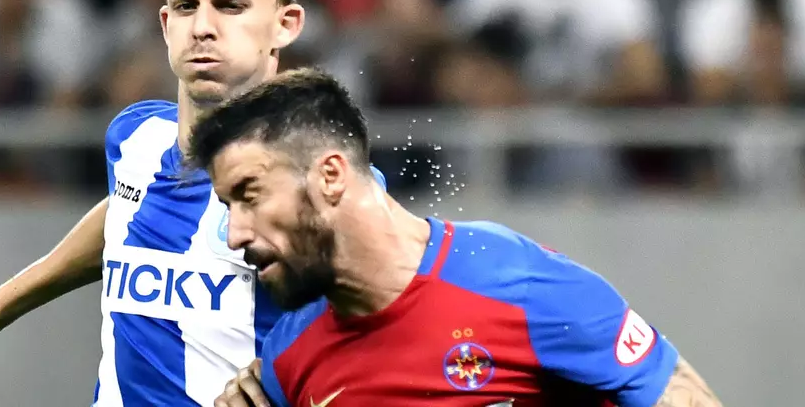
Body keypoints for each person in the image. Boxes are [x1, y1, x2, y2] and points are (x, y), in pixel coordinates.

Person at [0, 0, 386, 405]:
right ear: (164, 22)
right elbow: (124, 216)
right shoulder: (136, 138)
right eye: (184, 5)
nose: (202, 26)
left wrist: (289, 387)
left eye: (231, 5)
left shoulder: (322, 184)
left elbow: (380, 322)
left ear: (286, 25)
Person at [195, 69, 722, 407]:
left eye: (250, 194)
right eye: (228, 206)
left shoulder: (514, 283)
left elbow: (680, 394)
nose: (237, 232)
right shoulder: (287, 357)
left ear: (330, 176)